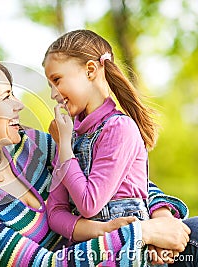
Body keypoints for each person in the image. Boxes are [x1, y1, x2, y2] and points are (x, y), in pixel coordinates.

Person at [0, 54, 195, 266]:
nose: (18, 105)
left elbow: (118, 179)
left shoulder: (35, 146)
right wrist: (140, 234)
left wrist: (162, 221)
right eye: (5, 97)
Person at [43, 29, 195, 265]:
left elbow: (88, 203)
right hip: (95, 254)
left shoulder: (119, 128)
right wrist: (100, 230)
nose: (53, 94)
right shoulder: (68, 140)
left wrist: (64, 146)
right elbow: (55, 213)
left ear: (90, 70)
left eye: (57, 80)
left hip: (135, 254)